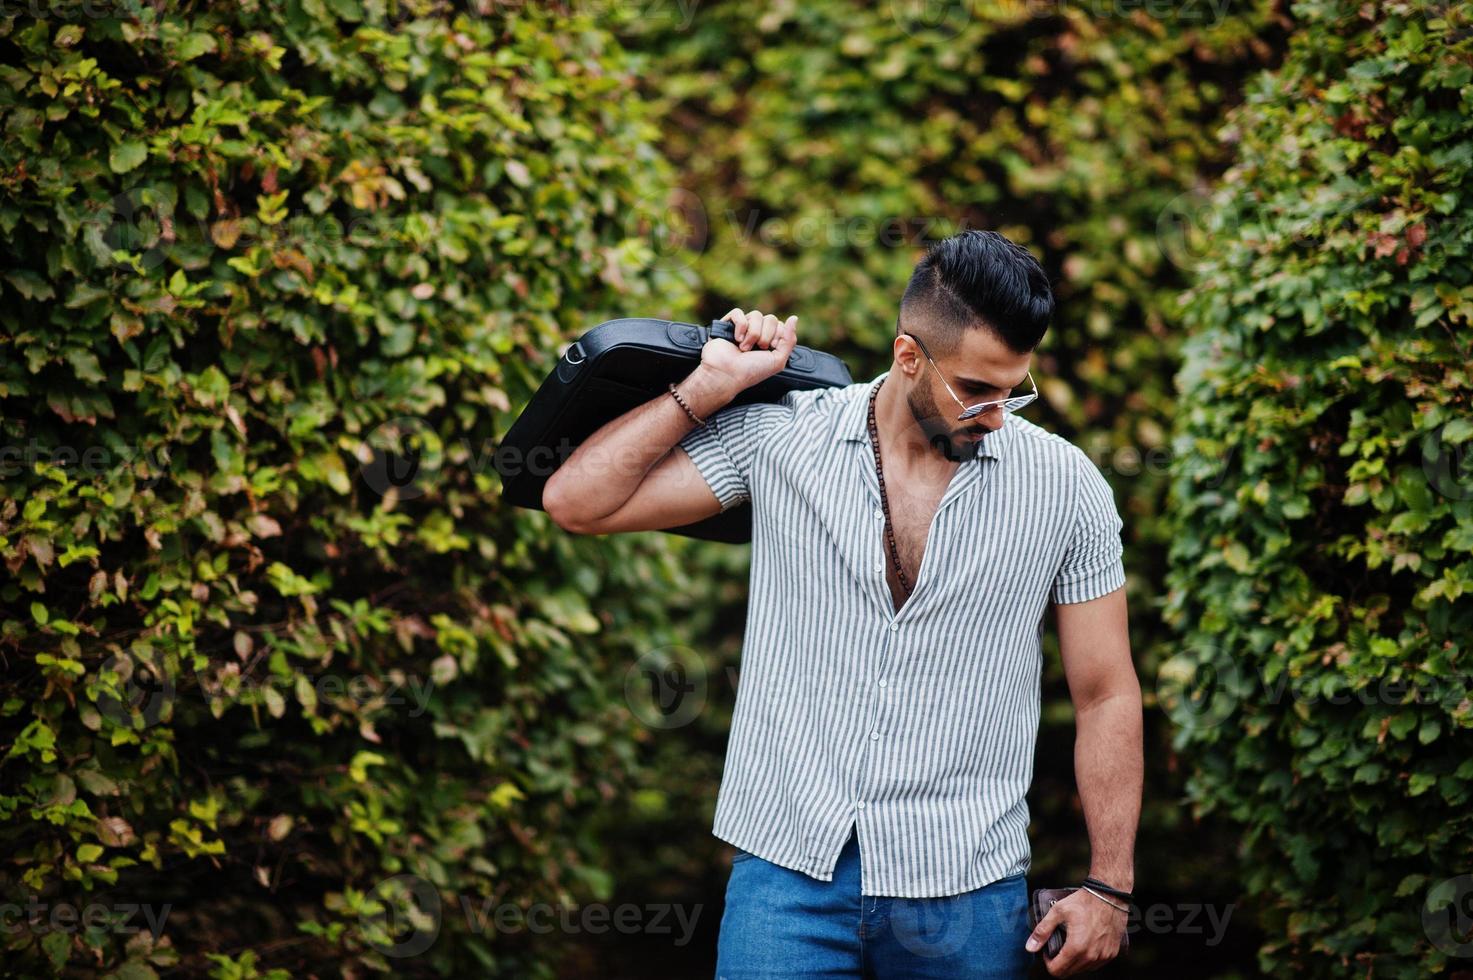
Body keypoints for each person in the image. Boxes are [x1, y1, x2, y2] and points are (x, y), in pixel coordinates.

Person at [542, 229, 1141, 978]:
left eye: (1013, 389)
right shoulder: (782, 441)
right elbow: (575, 501)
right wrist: (709, 387)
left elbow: (1105, 691)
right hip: (785, 884)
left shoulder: (1066, 485)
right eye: (977, 390)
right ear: (907, 356)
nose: (996, 413)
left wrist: (1108, 887)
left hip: (966, 893)